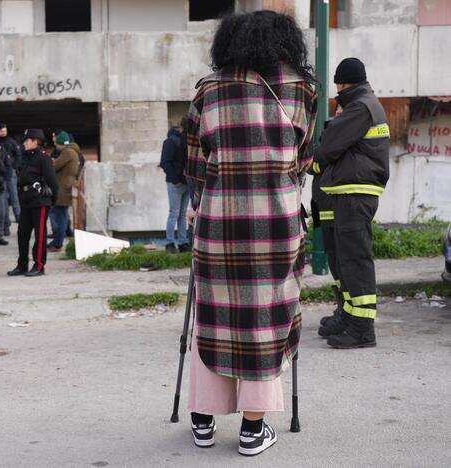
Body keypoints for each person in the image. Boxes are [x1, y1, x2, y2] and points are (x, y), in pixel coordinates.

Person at [185, 11, 317, 456]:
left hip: (218, 223)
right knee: (266, 320)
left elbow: (194, 166)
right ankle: (252, 429)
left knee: (215, 317)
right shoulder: (302, 89)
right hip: (276, 225)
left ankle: (202, 421)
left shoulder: (209, 88)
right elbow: (302, 161)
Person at [313, 58, 390, 349]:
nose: (337, 89)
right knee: (342, 257)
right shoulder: (357, 104)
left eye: (339, 84)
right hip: (343, 190)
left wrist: (316, 157)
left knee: (355, 259)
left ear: (347, 83)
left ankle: (362, 328)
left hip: (355, 192)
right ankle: (348, 314)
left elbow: (330, 144)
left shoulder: (361, 106)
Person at [310, 108, 346, 336]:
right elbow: (315, 163)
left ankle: (346, 313)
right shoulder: (330, 133)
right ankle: (342, 309)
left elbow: (319, 162)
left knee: (344, 266)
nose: (339, 112)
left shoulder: (343, 136)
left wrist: (315, 157)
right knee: (336, 265)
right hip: (325, 210)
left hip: (337, 209)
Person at [7, 129, 58, 277]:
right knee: (22, 234)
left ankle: (39, 265)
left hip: (40, 200)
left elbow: (53, 182)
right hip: (26, 200)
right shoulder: (25, 157)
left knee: (40, 235)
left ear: (35, 141)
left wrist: (52, 201)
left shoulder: (43, 158)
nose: (24, 143)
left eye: (27, 140)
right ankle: (22, 265)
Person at [160, 121, 190, 254]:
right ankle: (170, 243)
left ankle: (183, 243)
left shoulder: (186, 142)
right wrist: (175, 179)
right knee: (174, 213)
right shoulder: (170, 142)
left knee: (182, 214)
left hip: (186, 183)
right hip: (176, 183)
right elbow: (165, 163)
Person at [48, 131, 79, 252]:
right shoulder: (73, 151)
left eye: (57, 144)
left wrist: (50, 162)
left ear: (61, 144)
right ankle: (57, 241)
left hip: (62, 188)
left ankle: (57, 244)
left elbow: (54, 166)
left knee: (58, 216)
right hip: (66, 186)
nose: (56, 146)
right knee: (62, 215)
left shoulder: (67, 152)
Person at [0, 123, 22, 234]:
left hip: (10, 173)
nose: (3, 133)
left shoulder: (11, 142)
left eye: (5, 131)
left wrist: (15, 166)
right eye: (1, 131)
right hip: (0, 174)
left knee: (14, 196)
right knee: (3, 198)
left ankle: (18, 217)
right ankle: (6, 224)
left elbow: (18, 155)